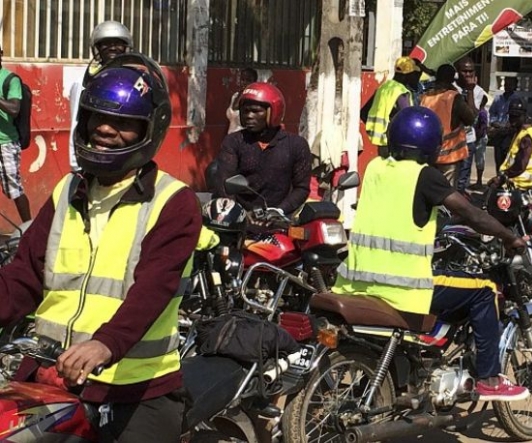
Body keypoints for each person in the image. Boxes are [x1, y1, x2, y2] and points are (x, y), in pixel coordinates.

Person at [0, 53, 201, 442]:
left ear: (149, 130)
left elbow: (153, 289)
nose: (106, 129)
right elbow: (22, 277)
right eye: (98, 117)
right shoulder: (67, 191)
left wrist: (105, 344)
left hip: (136, 388)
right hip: (50, 375)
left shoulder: (173, 202)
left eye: (125, 123)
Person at [333, 106, 530, 402]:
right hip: (405, 290)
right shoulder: (425, 176)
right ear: (432, 144)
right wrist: (510, 237)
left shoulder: (374, 168)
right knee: (484, 290)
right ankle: (489, 378)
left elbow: (403, 214)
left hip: (357, 285)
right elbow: (470, 213)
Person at [212, 82, 312, 216]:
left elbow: (302, 188)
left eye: (256, 111)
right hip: (239, 220)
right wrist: (238, 215)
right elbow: (225, 184)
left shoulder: (296, 144)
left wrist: (279, 211)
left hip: (279, 220)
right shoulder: (233, 141)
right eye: (246, 111)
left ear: (273, 112)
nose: (249, 116)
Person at [69, 21, 133, 171]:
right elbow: (76, 124)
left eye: (118, 43)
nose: (112, 47)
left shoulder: (132, 79)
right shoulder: (85, 81)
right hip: (97, 154)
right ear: (96, 48)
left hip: (125, 156)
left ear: (126, 47)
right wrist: (76, 165)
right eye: (106, 43)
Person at [420, 64, 476, 188]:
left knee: (430, 190)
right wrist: (470, 90)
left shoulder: (425, 97)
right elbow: (470, 118)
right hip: (449, 156)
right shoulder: (453, 97)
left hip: (429, 154)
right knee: (446, 193)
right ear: (452, 79)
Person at [361, 56, 421, 158]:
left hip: (382, 143)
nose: (415, 78)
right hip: (396, 144)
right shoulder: (401, 92)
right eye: (413, 75)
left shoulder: (384, 87)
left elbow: (364, 112)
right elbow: (408, 119)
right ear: (406, 75)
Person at [0, 45, 31, 222]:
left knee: (14, 189)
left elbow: (14, 108)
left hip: (6, 143)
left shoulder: (10, 80)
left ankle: (29, 228)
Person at [492, 98, 532, 190]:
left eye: (516, 116)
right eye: (511, 116)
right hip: (514, 182)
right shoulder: (519, 132)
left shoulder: (527, 137)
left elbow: (520, 165)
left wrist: (502, 177)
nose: (513, 119)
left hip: (520, 184)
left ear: (524, 116)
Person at [455, 57, 487, 192]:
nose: (468, 75)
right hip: (453, 140)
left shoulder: (479, 92)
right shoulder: (452, 88)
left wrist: (470, 91)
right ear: (458, 72)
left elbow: (472, 116)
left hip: (468, 139)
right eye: (464, 71)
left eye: (471, 71)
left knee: (463, 178)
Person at [488, 76, 520, 169]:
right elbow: (492, 113)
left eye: (510, 85)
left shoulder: (517, 99)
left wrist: (511, 124)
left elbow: (519, 116)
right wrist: (495, 123)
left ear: (514, 86)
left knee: (509, 159)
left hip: (510, 133)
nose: (507, 86)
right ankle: (499, 177)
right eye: (506, 84)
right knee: (498, 159)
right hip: (498, 132)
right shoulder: (498, 99)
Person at [227, 67, 259, 134]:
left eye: (248, 80)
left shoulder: (254, 100)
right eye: (242, 79)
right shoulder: (235, 96)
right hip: (231, 138)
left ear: (254, 82)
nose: (244, 83)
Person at [469, 95, 489, 190]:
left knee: (480, 160)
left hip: (480, 139)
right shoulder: (476, 112)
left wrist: (477, 137)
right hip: (475, 138)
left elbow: (483, 127)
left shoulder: (482, 113)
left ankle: (479, 181)